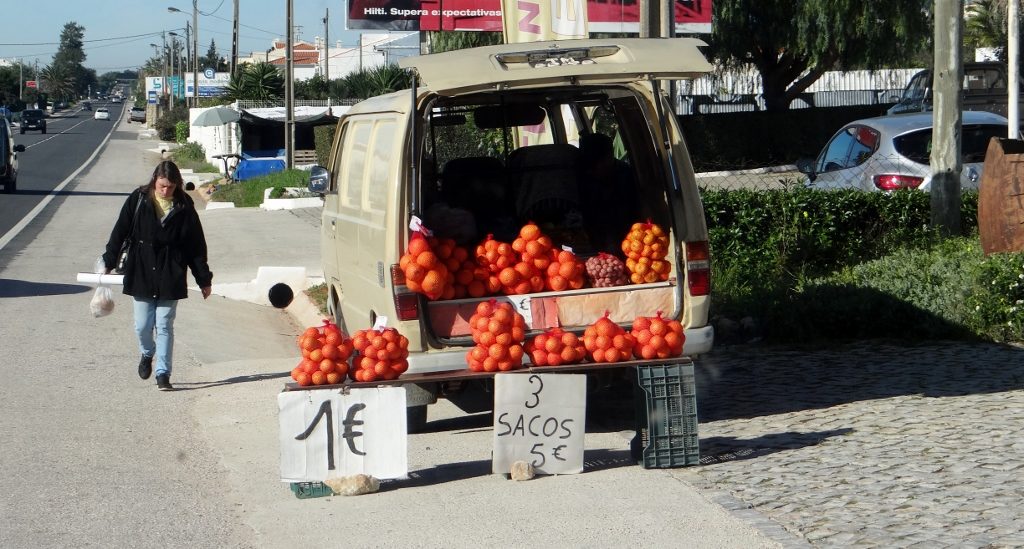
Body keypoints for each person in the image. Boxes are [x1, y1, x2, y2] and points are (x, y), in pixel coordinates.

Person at [103, 160, 213, 391]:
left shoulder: (184, 206)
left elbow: (195, 245)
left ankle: (163, 373)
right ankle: (147, 352)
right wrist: (108, 261)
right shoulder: (139, 198)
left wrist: (203, 278)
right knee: (142, 325)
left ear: (177, 185)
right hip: (141, 268)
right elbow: (120, 230)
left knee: (164, 324)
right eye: (162, 186)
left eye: (171, 187)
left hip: (170, 271)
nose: (166, 191)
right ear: (155, 181)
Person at [577, 132, 641, 253]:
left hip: (623, 238)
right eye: (592, 165)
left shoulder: (625, 175)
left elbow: (630, 212)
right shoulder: (582, 176)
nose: (595, 169)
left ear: (610, 157)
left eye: (602, 162)